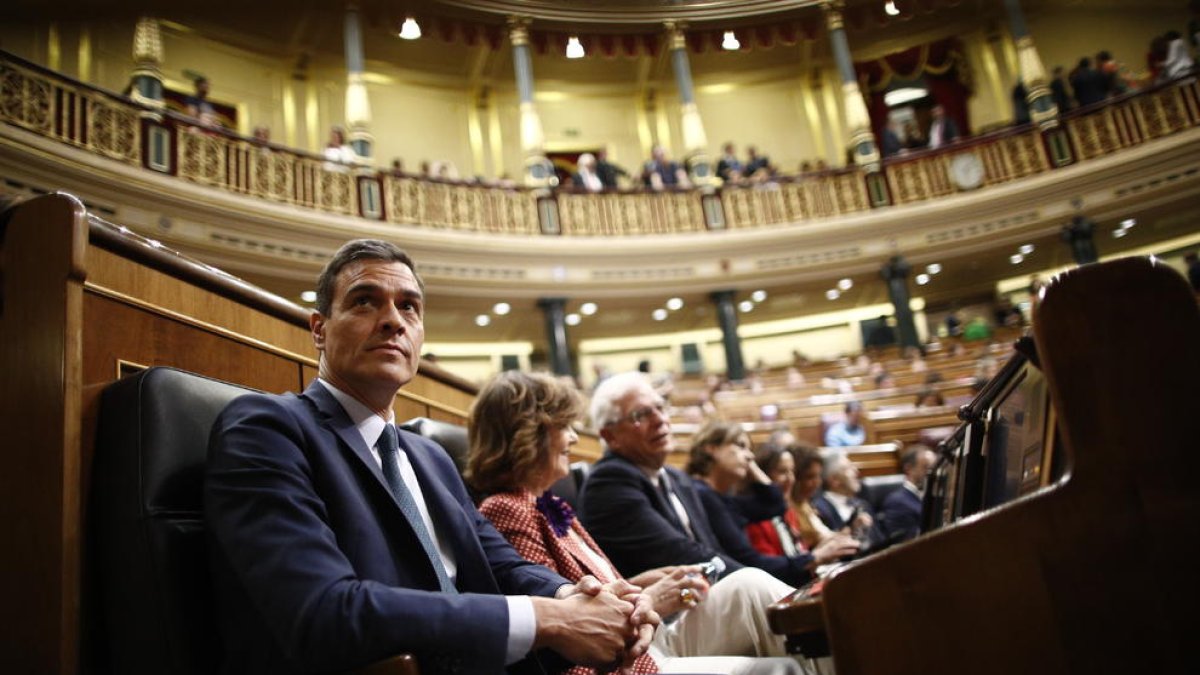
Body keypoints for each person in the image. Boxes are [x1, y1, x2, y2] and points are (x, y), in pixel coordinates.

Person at [205, 239, 658, 674]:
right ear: (319, 329)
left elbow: (502, 565)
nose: (392, 320)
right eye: (365, 301)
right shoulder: (268, 427)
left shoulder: (431, 457)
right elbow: (321, 611)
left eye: (409, 306)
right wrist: (548, 619)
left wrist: (580, 595)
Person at [467, 372, 807, 675]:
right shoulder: (506, 509)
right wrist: (652, 599)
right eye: (565, 427)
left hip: (645, 643)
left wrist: (640, 586)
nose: (574, 438)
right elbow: (561, 624)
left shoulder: (548, 502)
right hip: (624, 662)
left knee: (750, 585)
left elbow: (591, 589)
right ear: (529, 435)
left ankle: (832, 623)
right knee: (780, 667)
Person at [685, 422, 856, 588]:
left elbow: (776, 504)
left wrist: (751, 465)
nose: (749, 455)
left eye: (750, 451)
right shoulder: (702, 494)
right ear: (712, 448)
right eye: (741, 446)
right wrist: (814, 557)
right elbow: (750, 562)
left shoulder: (722, 497)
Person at [878, 445, 936, 543]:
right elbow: (906, 542)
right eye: (926, 467)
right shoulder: (897, 502)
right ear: (908, 469)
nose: (932, 473)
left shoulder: (935, 495)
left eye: (934, 468)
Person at [811, 453, 874, 539]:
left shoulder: (863, 504)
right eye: (848, 468)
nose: (856, 471)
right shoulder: (819, 509)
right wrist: (852, 529)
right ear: (834, 480)